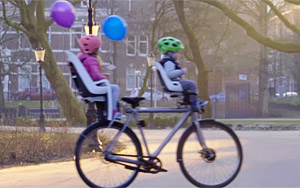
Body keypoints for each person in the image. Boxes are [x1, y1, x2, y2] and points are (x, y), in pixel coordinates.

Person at [77, 34, 123, 119]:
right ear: (94, 49)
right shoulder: (91, 60)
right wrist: (103, 77)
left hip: (88, 86)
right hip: (93, 86)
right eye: (97, 48)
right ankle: (112, 111)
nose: (98, 50)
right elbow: (95, 76)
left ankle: (103, 112)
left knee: (107, 87)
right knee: (114, 88)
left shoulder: (82, 59)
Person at [158, 37, 208, 112]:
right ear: (169, 52)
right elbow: (170, 74)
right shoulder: (169, 62)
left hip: (173, 83)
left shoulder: (166, 61)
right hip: (174, 83)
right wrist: (181, 71)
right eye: (176, 52)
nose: (178, 54)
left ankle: (189, 101)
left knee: (188, 86)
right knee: (192, 84)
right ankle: (194, 103)